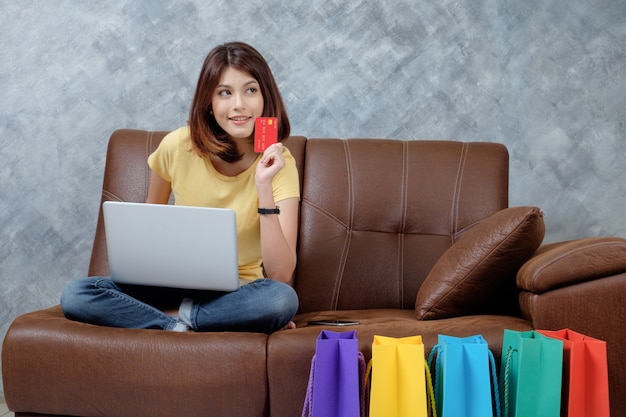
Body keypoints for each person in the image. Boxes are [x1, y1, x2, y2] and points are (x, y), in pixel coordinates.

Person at [60, 42, 300, 333]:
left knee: (280, 300)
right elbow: (150, 226)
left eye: (251, 90)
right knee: (77, 294)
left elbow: (281, 274)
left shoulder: (279, 162)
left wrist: (264, 185)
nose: (239, 104)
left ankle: (178, 319)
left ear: (265, 97)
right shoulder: (177, 146)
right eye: (225, 92)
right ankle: (179, 323)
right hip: (170, 286)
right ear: (209, 102)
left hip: (238, 293)